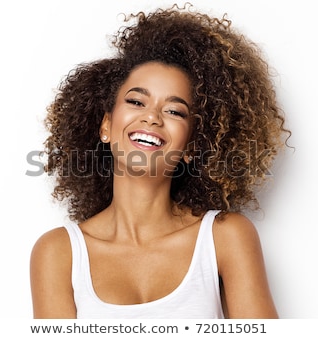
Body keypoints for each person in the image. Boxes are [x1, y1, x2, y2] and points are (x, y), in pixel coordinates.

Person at [30, 4, 289, 319]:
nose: (151, 116)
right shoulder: (58, 253)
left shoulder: (226, 237)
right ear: (106, 126)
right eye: (136, 101)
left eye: (174, 110)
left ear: (192, 145)